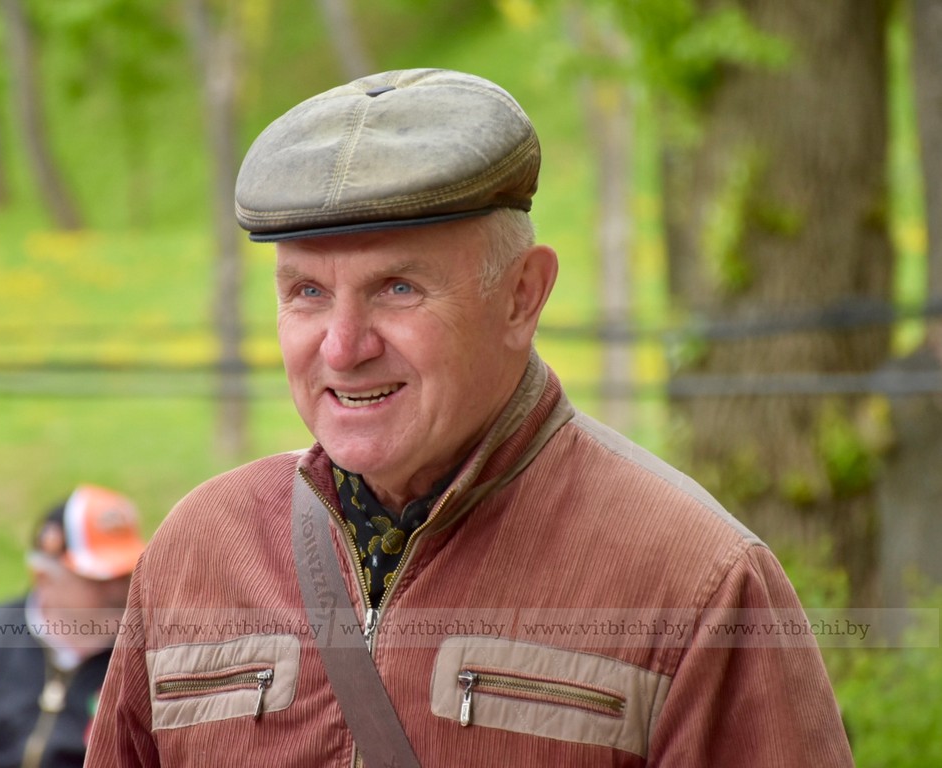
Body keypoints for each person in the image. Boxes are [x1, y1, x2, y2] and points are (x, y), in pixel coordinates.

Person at [85, 69, 854, 766]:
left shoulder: (694, 581)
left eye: (398, 288)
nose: (343, 348)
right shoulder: (197, 552)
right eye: (307, 293)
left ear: (521, 295)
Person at [0, 484, 146, 768]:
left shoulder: (147, 665)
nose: (120, 591)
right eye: (100, 579)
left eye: (128, 574)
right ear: (44, 577)